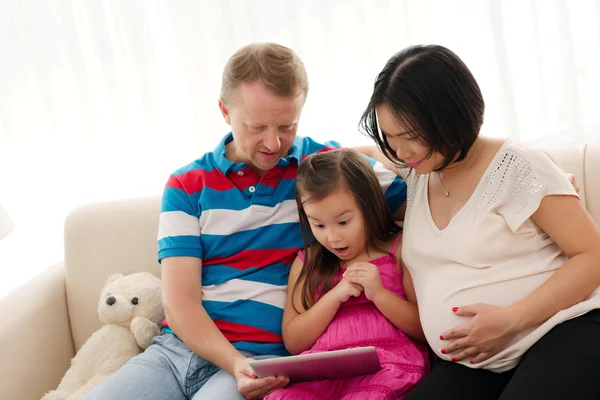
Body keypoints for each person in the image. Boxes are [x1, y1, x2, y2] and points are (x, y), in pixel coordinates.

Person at [84, 43, 407, 400]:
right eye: (257, 126)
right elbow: (181, 303)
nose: (273, 143)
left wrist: (364, 151)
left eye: (287, 125)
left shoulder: (324, 172)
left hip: (263, 364)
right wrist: (233, 361)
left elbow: (418, 182)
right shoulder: (187, 186)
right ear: (225, 111)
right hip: (175, 354)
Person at [359, 44, 600, 399]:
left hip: (562, 329)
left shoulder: (520, 166)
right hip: (479, 362)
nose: (400, 152)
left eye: (410, 137)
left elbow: (592, 255)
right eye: (390, 138)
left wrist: (512, 319)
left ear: (451, 116)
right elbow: (350, 156)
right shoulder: (418, 174)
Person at [266, 149, 428, 399]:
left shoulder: (399, 249)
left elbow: (423, 327)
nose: (332, 237)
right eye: (318, 225)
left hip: (387, 366)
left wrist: (379, 294)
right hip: (322, 376)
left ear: (369, 207)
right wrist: (335, 296)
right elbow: (294, 342)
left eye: (343, 222)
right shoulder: (308, 261)